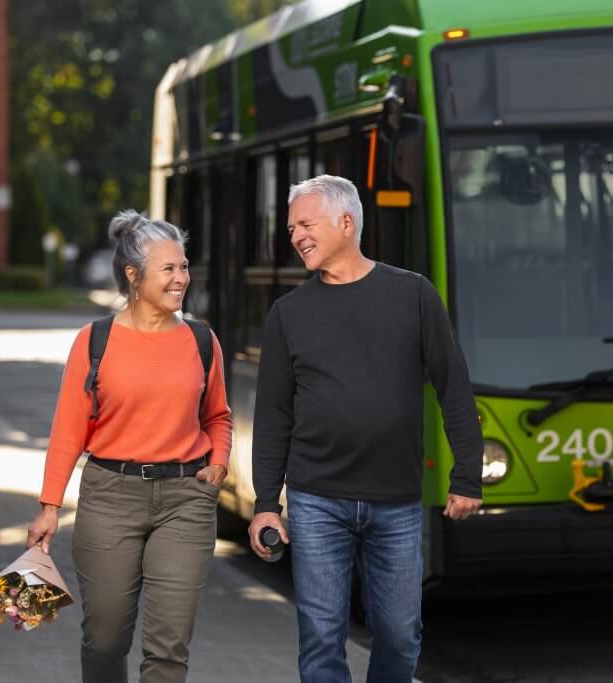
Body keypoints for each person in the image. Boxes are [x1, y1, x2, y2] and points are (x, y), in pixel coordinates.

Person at [248, 175, 483, 682]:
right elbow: (273, 415)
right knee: (320, 640)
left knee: (400, 637)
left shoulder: (413, 295)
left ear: (346, 223)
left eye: (306, 224)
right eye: (291, 228)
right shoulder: (288, 314)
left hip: (395, 501)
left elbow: (454, 387)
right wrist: (266, 502)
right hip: (315, 501)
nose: (296, 236)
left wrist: (467, 475)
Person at [26, 210, 232, 683]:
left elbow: (218, 416)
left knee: (168, 649)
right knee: (104, 640)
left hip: (185, 500)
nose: (182, 278)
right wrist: (48, 506)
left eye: (183, 267)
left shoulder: (203, 341)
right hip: (110, 496)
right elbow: (68, 430)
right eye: (169, 269)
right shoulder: (94, 341)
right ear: (134, 276)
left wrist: (218, 460)